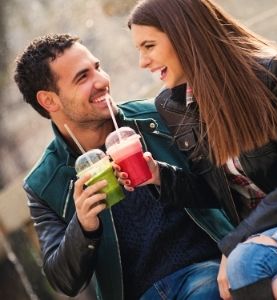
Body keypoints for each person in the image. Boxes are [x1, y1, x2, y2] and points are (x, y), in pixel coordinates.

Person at [14, 33, 235, 300]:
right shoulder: (43, 184)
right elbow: (64, 281)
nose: (103, 81)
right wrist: (83, 226)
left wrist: (162, 177)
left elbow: (224, 190)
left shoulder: (158, 116)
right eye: (83, 77)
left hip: (204, 271)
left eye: (97, 67)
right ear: (49, 101)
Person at [124, 0, 277, 299]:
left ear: (183, 33)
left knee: (245, 265)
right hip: (262, 234)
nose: (143, 61)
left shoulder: (271, 72)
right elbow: (218, 190)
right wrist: (160, 177)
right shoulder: (173, 105)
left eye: (149, 46)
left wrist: (235, 243)